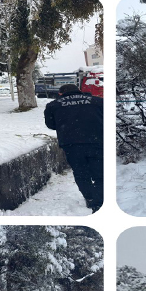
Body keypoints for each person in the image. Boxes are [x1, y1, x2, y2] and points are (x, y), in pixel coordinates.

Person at [44, 84, 103, 212]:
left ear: (60, 93)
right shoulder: (98, 101)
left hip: (71, 145)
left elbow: (51, 125)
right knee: (100, 174)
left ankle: (91, 198)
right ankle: (99, 201)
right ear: (80, 91)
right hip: (96, 142)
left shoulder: (53, 105)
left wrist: (66, 123)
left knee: (81, 173)